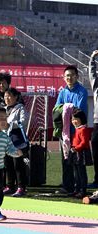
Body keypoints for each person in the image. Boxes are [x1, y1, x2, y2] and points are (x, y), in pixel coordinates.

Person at [55, 65, 88, 195]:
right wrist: (67, 108)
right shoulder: (62, 92)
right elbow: (57, 109)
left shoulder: (82, 91)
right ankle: (67, 186)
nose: (69, 77)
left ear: (77, 76)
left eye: (72, 75)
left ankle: (80, 187)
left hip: (77, 130)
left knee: (78, 161)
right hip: (65, 131)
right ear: (64, 77)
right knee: (66, 159)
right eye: (67, 75)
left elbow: (78, 111)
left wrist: (66, 108)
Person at [3, 88, 30, 197]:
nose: (7, 98)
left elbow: (23, 122)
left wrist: (11, 124)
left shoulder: (20, 108)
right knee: (7, 164)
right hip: (6, 140)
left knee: (18, 165)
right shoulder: (3, 109)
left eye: (9, 96)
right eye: (5, 96)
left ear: (15, 97)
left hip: (17, 139)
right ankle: (9, 186)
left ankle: (21, 187)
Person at [69, 109, 92, 199]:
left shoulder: (83, 129)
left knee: (81, 173)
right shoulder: (77, 129)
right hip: (75, 152)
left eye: (76, 119)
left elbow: (84, 142)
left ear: (81, 119)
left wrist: (76, 148)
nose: (73, 121)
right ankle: (77, 189)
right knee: (76, 172)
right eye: (72, 119)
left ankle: (83, 190)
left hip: (80, 153)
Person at [89, 50, 98, 188]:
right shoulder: (97, 87)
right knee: (96, 150)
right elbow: (92, 74)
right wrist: (92, 59)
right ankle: (97, 179)